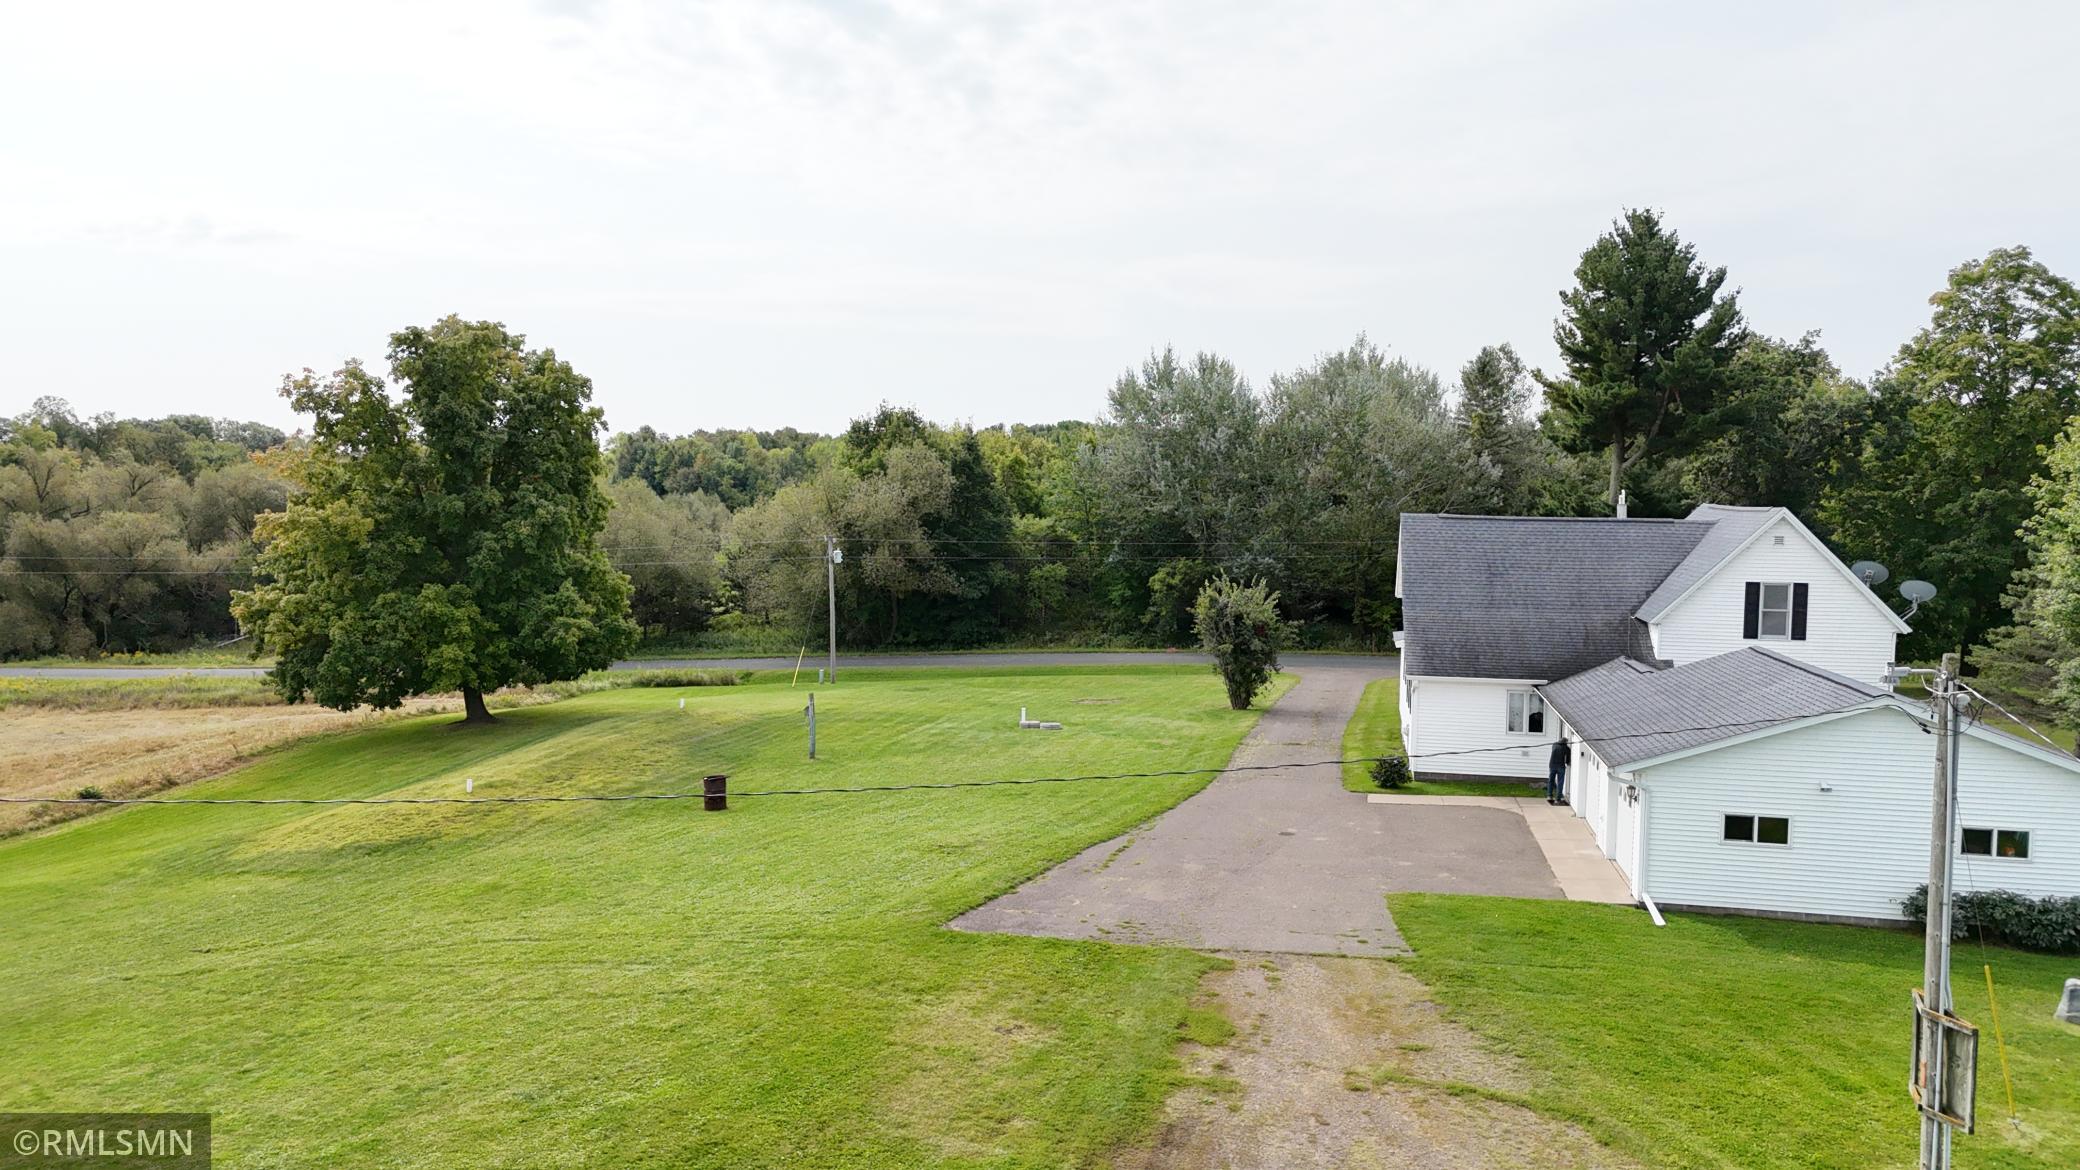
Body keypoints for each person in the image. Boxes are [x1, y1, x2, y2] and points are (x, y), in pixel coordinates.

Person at [1546, 735, 1571, 805]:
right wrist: (1567, 763)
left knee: (1551, 780)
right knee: (1560, 783)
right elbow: (1567, 760)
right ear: (1565, 743)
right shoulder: (1567, 748)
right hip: (1561, 767)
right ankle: (1558, 799)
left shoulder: (1554, 745)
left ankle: (1549, 796)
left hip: (1552, 765)